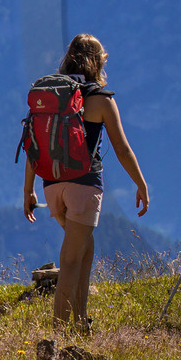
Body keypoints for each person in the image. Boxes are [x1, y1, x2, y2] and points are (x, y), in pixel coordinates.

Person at [23, 34, 151, 333]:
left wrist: (28, 189)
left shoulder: (51, 96)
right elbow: (122, 149)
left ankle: (81, 323)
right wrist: (141, 184)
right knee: (70, 260)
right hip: (83, 185)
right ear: (98, 62)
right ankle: (57, 334)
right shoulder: (100, 99)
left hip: (51, 184)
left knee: (84, 249)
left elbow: (33, 145)